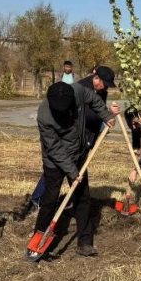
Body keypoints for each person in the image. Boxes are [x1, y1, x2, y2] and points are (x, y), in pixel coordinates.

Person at [35, 81, 118, 257]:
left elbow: (95, 100)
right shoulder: (44, 115)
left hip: (79, 154)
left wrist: (106, 115)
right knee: (51, 197)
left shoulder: (78, 91)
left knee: (82, 196)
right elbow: (54, 148)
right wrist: (72, 172)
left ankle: (85, 241)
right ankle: (40, 233)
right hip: (54, 161)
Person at [27, 66, 119, 213]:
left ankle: (75, 202)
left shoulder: (99, 90)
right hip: (69, 137)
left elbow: (97, 106)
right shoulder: (78, 89)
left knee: (74, 171)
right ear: (97, 79)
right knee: (57, 169)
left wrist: (106, 116)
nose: (106, 87)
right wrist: (107, 113)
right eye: (105, 84)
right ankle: (39, 199)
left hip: (85, 137)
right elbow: (85, 116)